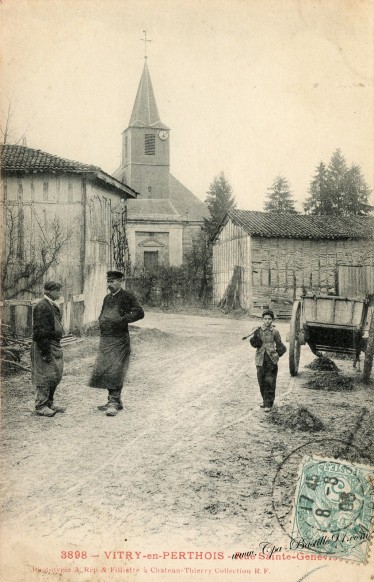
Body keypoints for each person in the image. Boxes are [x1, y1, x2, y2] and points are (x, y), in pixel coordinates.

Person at [89, 270, 144, 416]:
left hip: (119, 339)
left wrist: (123, 319)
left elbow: (139, 312)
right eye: (108, 281)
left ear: (120, 281)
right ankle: (114, 401)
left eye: (112, 281)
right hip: (106, 338)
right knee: (107, 369)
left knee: (115, 369)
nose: (109, 284)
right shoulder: (107, 298)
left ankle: (113, 402)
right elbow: (103, 314)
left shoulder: (127, 296)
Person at [31, 281, 65, 417]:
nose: (59, 293)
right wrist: (45, 352)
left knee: (54, 375)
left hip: (54, 345)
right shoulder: (42, 306)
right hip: (43, 345)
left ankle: (49, 403)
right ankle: (40, 406)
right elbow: (41, 332)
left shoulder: (52, 306)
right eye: (57, 291)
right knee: (43, 376)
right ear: (49, 292)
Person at [249, 309, 286, 412]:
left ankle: (269, 404)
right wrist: (255, 336)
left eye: (269, 319)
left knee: (270, 381)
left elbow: (281, 346)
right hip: (260, 359)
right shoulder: (258, 330)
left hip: (271, 361)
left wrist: (276, 355)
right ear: (262, 319)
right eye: (265, 319)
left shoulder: (275, 332)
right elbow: (254, 344)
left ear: (272, 320)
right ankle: (265, 401)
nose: (267, 321)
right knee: (261, 381)